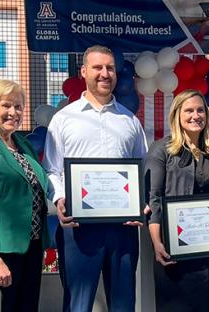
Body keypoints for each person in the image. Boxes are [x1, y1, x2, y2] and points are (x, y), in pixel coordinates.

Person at [42, 45, 147, 312]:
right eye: (97, 67)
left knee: (123, 304)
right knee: (78, 305)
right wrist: (61, 197)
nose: (104, 73)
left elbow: (141, 170)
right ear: (84, 71)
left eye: (110, 68)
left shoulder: (130, 121)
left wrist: (141, 204)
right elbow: (52, 169)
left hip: (123, 228)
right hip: (79, 229)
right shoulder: (63, 119)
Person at [145, 89, 209, 312]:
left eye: (200, 110)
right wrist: (157, 243)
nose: (195, 115)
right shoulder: (161, 149)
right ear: (176, 115)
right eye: (188, 110)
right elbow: (154, 199)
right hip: (175, 248)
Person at [0, 80, 50, 312]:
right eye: (6, 105)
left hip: (31, 245)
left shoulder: (22, 144)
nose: (13, 112)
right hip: (2, 250)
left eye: (18, 107)